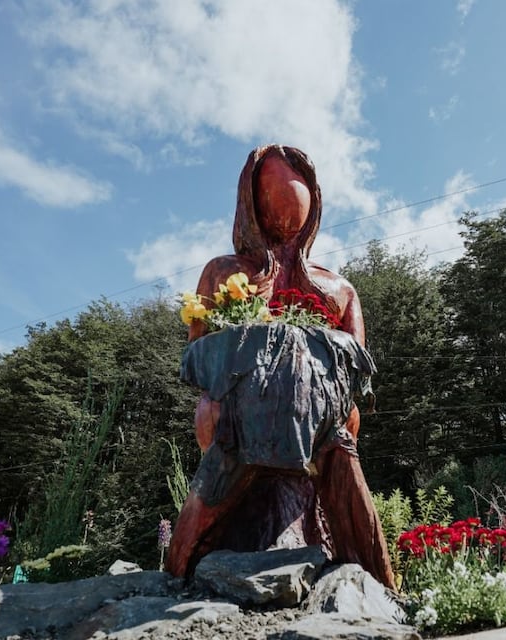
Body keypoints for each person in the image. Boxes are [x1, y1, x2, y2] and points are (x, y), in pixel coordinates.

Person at [166, 145, 394, 589]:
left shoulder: (339, 288)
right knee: (213, 412)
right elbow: (196, 354)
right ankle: (187, 561)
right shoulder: (223, 273)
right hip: (237, 418)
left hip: (320, 421)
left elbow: (357, 368)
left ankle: (366, 568)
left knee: (346, 421)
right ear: (250, 200)